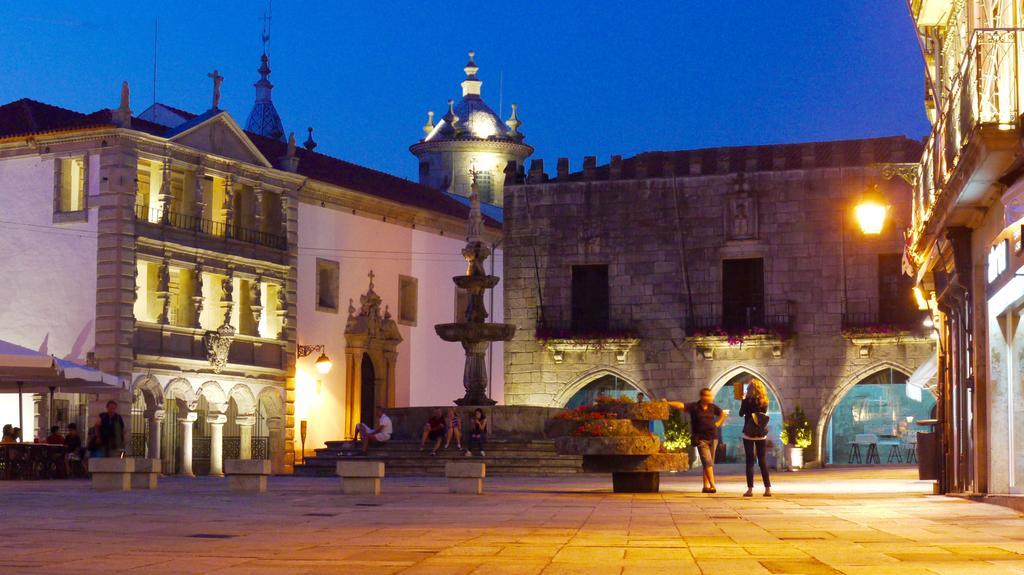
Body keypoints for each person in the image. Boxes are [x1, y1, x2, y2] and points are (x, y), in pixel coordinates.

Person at [680, 388, 726, 493]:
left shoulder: (712, 407)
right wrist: (668, 403)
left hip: (713, 438)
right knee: (707, 461)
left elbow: (722, 413)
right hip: (701, 439)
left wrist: (718, 424)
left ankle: (705, 486)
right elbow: (681, 405)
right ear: (702, 396)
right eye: (708, 395)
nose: (710, 397)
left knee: (708, 464)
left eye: (711, 395)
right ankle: (713, 485)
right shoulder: (694, 407)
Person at [740, 379, 772, 497]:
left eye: (748, 387)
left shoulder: (747, 401)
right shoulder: (764, 402)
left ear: (750, 389)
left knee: (749, 461)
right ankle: (767, 489)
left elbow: (741, 413)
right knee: (762, 461)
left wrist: (743, 401)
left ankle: (750, 489)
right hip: (760, 433)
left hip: (748, 433)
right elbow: (762, 416)